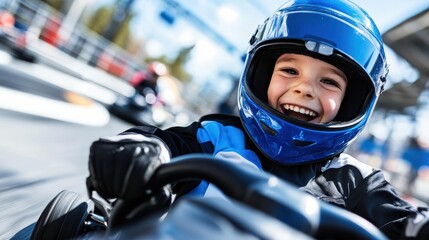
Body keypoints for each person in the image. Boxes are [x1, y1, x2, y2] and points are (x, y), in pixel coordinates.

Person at [87, 0, 429, 238]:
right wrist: (142, 149)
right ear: (262, 74)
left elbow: (404, 221)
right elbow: (164, 143)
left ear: (353, 101)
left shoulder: (358, 182)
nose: (304, 89)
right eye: (290, 70)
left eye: (328, 81)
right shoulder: (217, 137)